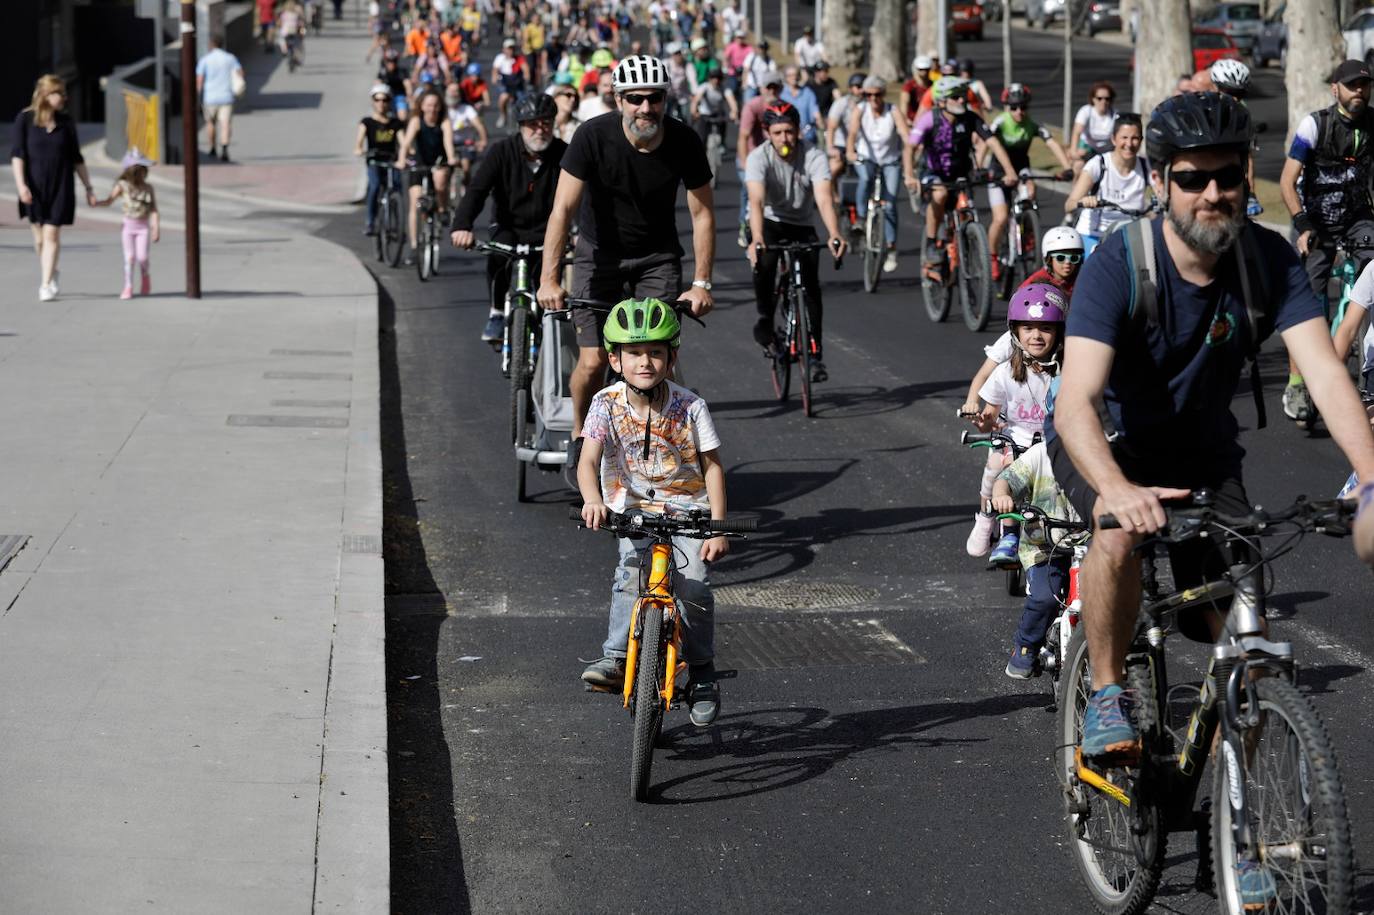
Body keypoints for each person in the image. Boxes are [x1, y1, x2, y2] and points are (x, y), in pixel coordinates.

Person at [1048, 93, 1374, 785]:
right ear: (1162, 181)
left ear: (1246, 175)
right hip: (1111, 443)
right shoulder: (1118, 264)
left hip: (1202, 452)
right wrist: (1115, 488)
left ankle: (1244, 826)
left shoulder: (1268, 262)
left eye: (1227, 176)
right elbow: (1073, 403)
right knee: (1115, 534)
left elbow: (1323, 370)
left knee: (1246, 648)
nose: (1213, 193)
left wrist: (1371, 477)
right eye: (1192, 179)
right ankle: (1107, 688)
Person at [536, 54, 716, 463]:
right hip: (599, 257)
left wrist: (702, 283)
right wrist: (549, 280)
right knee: (594, 358)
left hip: (657, 257)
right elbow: (562, 210)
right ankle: (583, 441)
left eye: (654, 98)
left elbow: (703, 213)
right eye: (635, 98)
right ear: (618, 99)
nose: (645, 108)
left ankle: (661, 442)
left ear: (665, 99)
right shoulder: (591, 136)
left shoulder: (684, 140)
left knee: (656, 359)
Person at [575, 298, 729, 727]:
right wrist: (593, 500)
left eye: (656, 352)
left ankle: (701, 674)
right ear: (614, 359)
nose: (645, 361)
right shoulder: (605, 404)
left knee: (694, 586)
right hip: (633, 510)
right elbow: (587, 462)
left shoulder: (691, 406)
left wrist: (716, 527)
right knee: (629, 575)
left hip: (689, 511)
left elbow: (713, 466)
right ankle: (615, 658)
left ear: (671, 357)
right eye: (635, 353)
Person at [1280, 60, 1374, 428]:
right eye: (1352, 86)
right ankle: (1298, 383)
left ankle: (1365, 361)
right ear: (1335, 89)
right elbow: (1288, 182)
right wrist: (1302, 225)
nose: (1360, 93)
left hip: (1358, 219)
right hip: (1316, 221)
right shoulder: (1314, 125)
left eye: (1365, 87)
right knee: (1307, 304)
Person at [745, 102, 848, 382]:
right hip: (770, 221)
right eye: (777, 132)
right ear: (767, 132)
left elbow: (824, 198)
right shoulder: (758, 157)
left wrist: (834, 233)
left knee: (811, 287)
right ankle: (765, 317)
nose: (784, 139)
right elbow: (755, 201)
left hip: (802, 224)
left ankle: (815, 355)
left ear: (798, 131)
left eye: (789, 132)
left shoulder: (813, 155)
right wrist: (755, 239)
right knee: (763, 263)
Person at [451, 92, 565, 343]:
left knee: (544, 284)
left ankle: (546, 329)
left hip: (548, 231)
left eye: (545, 122)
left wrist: (581, 234)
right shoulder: (501, 152)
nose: (539, 129)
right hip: (507, 226)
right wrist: (462, 226)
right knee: (498, 257)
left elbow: (583, 198)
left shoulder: (564, 154)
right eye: (532, 124)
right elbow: (477, 190)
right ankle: (496, 313)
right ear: (521, 126)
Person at [966, 283, 1067, 563]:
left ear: (1059, 333)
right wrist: (983, 421)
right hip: (1015, 442)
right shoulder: (1004, 373)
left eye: (1046, 329)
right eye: (1028, 328)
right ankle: (1000, 526)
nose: (1036, 336)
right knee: (998, 472)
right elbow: (990, 418)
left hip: (1052, 445)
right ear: (1016, 333)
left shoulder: (1067, 370)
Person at [962, 227, 1084, 430]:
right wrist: (972, 402)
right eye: (1061, 257)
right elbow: (984, 376)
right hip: (1015, 436)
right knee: (997, 462)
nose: (1068, 263)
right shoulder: (1007, 359)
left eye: (1046, 327)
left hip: (1050, 434)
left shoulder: (1084, 282)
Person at [904, 77, 1018, 280]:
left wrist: (1010, 171)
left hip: (962, 173)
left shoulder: (971, 118)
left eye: (963, 96)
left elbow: (993, 143)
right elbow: (910, 147)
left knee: (968, 208)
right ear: (941, 102)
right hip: (934, 172)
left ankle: (968, 242)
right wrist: (909, 175)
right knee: (940, 195)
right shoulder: (929, 119)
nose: (961, 100)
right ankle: (932, 242)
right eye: (955, 97)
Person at [989, 439, 1085, 678]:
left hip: (1090, 542)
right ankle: (1026, 646)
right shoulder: (1040, 454)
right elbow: (1007, 480)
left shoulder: (1103, 450)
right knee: (1044, 599)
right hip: (1044, 545)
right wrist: (1002, 495)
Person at [10, 74, 95, 302]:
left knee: (52, 233)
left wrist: (88, 187)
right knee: (39, 239)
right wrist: (21, 186)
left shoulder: (66, 122)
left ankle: (45, 283)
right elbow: (18, 156)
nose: (65, 99)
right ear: (47, 95)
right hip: (34, 187)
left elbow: (77, 158)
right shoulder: (25, 119)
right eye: (61, 94)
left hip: (61, 186)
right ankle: (52, 269)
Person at [985, 83, 1074, 282]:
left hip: (1021, 169)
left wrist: (1067, 167)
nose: (1019, 112)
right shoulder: (1000, 122)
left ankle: (1026, 229)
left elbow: (1052, 143)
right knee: (1000, 218)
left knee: (1030, 192)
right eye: (1014, 107)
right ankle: (991, 257)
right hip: (998, 172)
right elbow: (985, 142)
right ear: (1007, 107)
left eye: (1023, 107)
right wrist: (981, 169)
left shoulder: (1032, 125)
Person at [1064, 113, 1151, 256]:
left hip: (1129, 237)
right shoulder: (1098, 164)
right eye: (1124, 137)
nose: (1129, 144)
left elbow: (1163, 194)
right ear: (1113, 139)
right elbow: (1069, 205)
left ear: (1141, 140)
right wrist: (1083, 201)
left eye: (1135, 138)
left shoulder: (1146, 166)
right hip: (1093, 235)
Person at [396, 88, 458, 263]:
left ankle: (443, 208)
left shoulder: (444, 121)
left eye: (436, 105)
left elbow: (448, 141)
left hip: (438, 162)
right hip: (420, 164)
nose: (432, 108)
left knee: (440, 181)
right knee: (415, 202)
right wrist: (402, 160)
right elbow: (406, 143)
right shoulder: (416, 121)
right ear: (422, 106)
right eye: (429, 105)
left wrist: (452, 157)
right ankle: (414, 246)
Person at [91, 149, 160, 300]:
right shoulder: (122, 186)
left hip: (143, 227)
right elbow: (110, 201)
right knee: (129, 257)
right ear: (129, 172)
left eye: (142, 171)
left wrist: (156, 228)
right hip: (128, 227)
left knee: (142, 257)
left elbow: (154, 209)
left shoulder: (148, 188)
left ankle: (145, 275)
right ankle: (128, 286)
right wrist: (97, 203)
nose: (140, 175)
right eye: (136, 172)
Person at [735, 70, 783, 247]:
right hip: (751, 155)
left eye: (775, 88)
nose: (772, 92)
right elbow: (743, 136)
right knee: (750, 190)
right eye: (768, 88)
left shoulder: (784, 108)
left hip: (775, 157)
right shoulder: (752, 106)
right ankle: (744, 224)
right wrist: (744, 163)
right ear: (762, 89)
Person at [355, 84, 406, 236]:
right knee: (375, 185)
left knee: (397, 188)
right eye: (377, 100)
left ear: (389, 102)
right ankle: (370, 222)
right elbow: (358, 144)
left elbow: (403, 143)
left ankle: (398, 224)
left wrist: (408, 151)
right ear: (373, 101)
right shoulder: (367, 122)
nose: (381, 103)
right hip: (374, 162)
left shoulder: (395, 124)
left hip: (392, 162)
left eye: (385, 100)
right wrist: (360, 150)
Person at [196, 35, 245, 163]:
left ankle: (212, 147)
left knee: (210, 123)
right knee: (225, 124)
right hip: (226, 96)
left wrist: (198, 96)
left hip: (210, 97)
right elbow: (240, 73)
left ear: (211, 44)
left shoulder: (205, 59)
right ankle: (224, 148)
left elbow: (200, 80)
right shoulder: (230, 58)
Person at [1067, 80, 1118, 175]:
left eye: (1107, 99)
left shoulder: (1115, 115)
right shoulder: (1086, 111)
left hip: (1107, 150)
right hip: (1088, 147)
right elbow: (1077, 132)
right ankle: (1076, 188)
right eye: (1099, 98)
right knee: (1078, 166)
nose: (1103, 101)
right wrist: (1074, 151)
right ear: (1093, 99)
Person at [444, 82, 488, 188]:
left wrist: (483, 140)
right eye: (451, 91)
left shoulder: (467, 109)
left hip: (465, 143)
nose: (453, 94)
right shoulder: (443, 110)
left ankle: (467, 187)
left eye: (456, 91)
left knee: (466, 167)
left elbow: (479, 125)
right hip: (448, 143)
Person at [825, 72, 865, 181]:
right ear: (851, 88)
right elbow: (831, 127)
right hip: (841, 144)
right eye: (858, 87)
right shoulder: (841, 103)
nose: (861, 90)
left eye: (863, 87)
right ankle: (832, 193)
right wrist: (830, 147)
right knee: (833, 168)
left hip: (862, 145)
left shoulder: (869, 104)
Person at [692, 67, 737, 151]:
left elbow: (732, 101)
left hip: (718, 114)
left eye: (718, 78)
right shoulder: (704, 87)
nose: (716, 80)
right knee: (702, 138)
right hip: (705, 114)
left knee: (723, 126)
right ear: (709, 78)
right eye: (713, 77)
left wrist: (734, 112)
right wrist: (694, 112)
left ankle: (722, 142)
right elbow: (696, 100)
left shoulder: (725, 88)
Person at [779, 64, 823, 146]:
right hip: (788, 138)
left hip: (808, 136)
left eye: (796, 74)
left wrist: (820, 122)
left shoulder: (808, 92)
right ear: (786, 77)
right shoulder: (781, 95)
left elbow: (815, 111)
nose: (794, 77)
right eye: (790, 75)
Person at [492, 38, 530, 127]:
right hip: (505, 84)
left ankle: (521, 119)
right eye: (508, 48)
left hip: (517, 84)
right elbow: (495, 70)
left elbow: (525, 68)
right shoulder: (500, 58)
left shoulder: (519, 59)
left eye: (512, 48)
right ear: (504, 49)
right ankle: (503, 115)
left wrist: (526, 76)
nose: (510, 51)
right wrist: (495, 77)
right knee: (502, 99)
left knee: (523, 101)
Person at [900, 55, 933, 122]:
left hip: (930, 121)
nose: (924, 72)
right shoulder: (909, 86)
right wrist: (906, 120)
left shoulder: (933, 86)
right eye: (921, 69)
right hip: (912, 122)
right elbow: (904, 106)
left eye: (926, 69)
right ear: (916, 69)